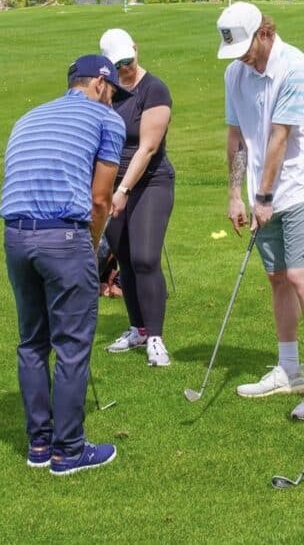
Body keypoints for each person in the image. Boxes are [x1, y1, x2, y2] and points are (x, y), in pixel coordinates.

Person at [215, 2, 304, 419]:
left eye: (246, 48)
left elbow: (279, 138)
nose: (242, 59)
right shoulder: (235, 72)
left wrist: (265, 198)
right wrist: (237, 193)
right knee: (276, 278)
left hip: (299, 186)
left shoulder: (295, 68)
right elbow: (236, 136)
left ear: (263, 33)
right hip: (260, 190)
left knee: (300, 275)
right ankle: (290, 368)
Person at [0, 54, 127, 475]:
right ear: (99, 85)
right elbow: (100, 198)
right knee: (71, 347)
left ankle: (39, 444)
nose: (112, 99)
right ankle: (68, 451)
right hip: (64, 236)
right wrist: (92, 248)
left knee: (32, 342)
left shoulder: (29, 116)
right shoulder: (107, 119)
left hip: (16, 236)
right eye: (111, 91)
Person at [99, 28, 175, 366]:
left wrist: (123, 190)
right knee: (125, 259)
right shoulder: (107, 93)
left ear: (136, 48)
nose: (125, 69)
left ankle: (156, 338)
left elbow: (148, 147)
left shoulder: (154, 89)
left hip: (150, 182)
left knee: (145, 257)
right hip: (111, 184)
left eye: (128, 61)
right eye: (118, 65)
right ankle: (138, 329)